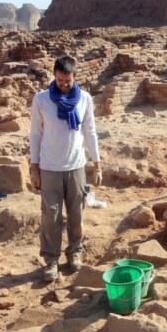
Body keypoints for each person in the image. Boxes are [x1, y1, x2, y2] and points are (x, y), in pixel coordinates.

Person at [29, 56, 102, 281]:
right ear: (54, 76)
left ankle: (74, 253)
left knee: (76, 214)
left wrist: (97, 163)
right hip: (50, 166)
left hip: (76, 166)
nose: (64, 84)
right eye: (60, 80)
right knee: (50, 216)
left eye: (68, 80)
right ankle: (51, 260)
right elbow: (35, 134)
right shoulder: (41, 100)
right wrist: (34, 165)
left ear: (74, 76)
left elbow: (90, 131)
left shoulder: (85, 99)